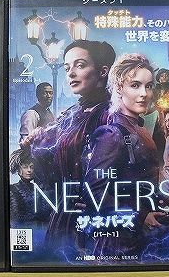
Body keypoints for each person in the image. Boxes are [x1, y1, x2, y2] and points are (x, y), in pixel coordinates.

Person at [21, 40, 116, 250]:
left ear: (103, 71)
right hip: (65, 211)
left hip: (95, 216)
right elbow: (51, 168)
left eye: (80, 65)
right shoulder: (72, 113)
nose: (71, 73)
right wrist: (35, 144)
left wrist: (100, 200)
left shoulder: (110, 114)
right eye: (66, 68)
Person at [82, 53, 166, 256]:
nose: (144, 94)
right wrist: (140, 216)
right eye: (135, 85)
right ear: (119, 88)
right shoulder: (112, 134)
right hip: (118, 241)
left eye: (149, 86)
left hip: (141, 238)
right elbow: (93, 191)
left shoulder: (140, 129)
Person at [8, 148, 50, 225]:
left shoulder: (39, 188)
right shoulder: (12, 190)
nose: (29, 170)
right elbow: (15, 216)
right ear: (18, 170)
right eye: (25, 167)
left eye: (31, 167)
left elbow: (46, 213)